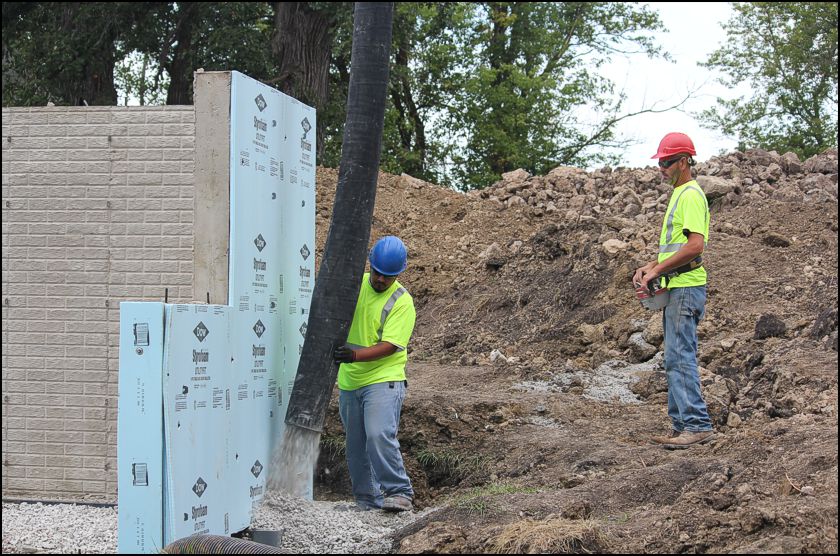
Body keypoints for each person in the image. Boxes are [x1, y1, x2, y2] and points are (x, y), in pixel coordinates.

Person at [633, 132, 715, 449]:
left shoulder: (691, 195)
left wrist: (657, 270)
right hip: (678, 285)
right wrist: (651, 264)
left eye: (666, 162)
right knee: (673, 357)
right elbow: (676, 247)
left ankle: (697, 426)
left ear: (684, 162)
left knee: (680, 356)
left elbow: (695, 245)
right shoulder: (680, 194)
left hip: (685, 287)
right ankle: (683, 426)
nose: (662, 168)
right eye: (660, 163)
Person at [333, 235, 416, 511]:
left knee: (379, 433)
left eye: (389, 276)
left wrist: (354, 355)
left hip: (383, 377)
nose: (381, 280)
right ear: (371, 265)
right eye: (379, 273)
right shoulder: (353, 286)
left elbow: (390, 346)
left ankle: (400, 492)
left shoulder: (402, 302)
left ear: (398, 274)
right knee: (356, 443)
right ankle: (367, 500)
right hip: (350, 379)